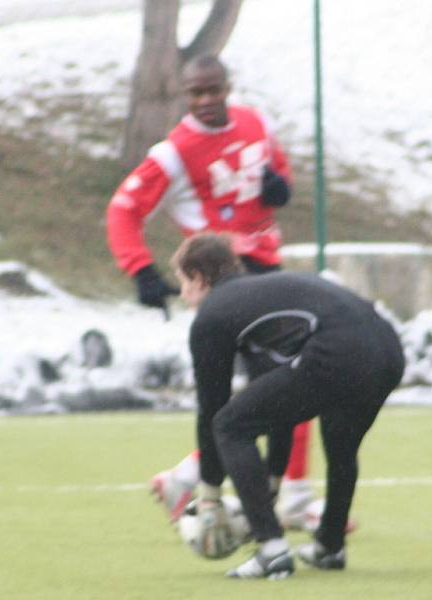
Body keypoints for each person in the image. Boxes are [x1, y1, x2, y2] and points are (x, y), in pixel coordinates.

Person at [105, 54, 316, 527]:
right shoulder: (174, 151)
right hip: (227, 286)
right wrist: (141, 270)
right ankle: (289, 498)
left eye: (212, 90)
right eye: (194, 93)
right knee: (292, 381)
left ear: (227, 86)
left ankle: (199, 478)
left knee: (285, 384)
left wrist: (278, 186)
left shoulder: (254, 121)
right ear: (185, 94)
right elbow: (122, 210)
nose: (204, 101)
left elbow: (277, 167)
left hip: (267, 273)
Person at [172, 233, 405, 579]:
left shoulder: (212, 315)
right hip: (387, 349)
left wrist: (209, 494)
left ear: (199, 278)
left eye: (182, 282)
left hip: (340, 349)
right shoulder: (259, 298)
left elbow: (213, 410)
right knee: (340, 444)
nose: (182, 294)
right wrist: (272, 481)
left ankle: (272, 550)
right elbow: (280, 406)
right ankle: (329, 545)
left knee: (229, 425)